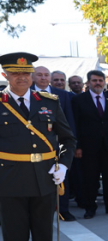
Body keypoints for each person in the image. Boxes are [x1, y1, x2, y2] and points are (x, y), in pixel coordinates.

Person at [0, 52, 76, 241]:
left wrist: (63, 166)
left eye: (25, 73)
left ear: (32, 75)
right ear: (5, 75)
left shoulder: (49, 102)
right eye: (15, 73)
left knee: (43, 233)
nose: (21, 78)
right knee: (15, 236)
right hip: (9, 181)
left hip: (44, 179)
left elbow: (67, 139)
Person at [71, 70, 108, 219]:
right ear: (88, 82)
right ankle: (90, 207)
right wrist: (78, 146)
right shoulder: (79, 100)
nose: (98, 83)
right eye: (94, 80)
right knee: (90, 179)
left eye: (100, 80)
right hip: (88, 147)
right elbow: (75, 124)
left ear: (104, 82)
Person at [32, 65, 77, 221]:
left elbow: (69, 121)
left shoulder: (62, 95)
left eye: (46, 75)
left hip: (58, 145)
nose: (43, 78)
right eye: (39, 75)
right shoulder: (25, 94)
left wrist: (73, 144)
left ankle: (63, 210)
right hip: (34, 147)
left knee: (62, 178)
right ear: (33, 77)